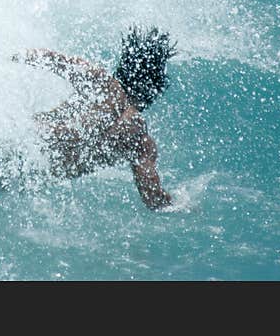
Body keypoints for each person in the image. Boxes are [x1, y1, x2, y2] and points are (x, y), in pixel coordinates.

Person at [12, 26, 177, 210]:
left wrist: (3, 58)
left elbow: (50, 59)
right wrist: (184, 205)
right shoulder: (140, 140)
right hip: (27, 176)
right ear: (155, 88)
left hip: (21, 143)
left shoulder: (105, 86)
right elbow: (153, 199)